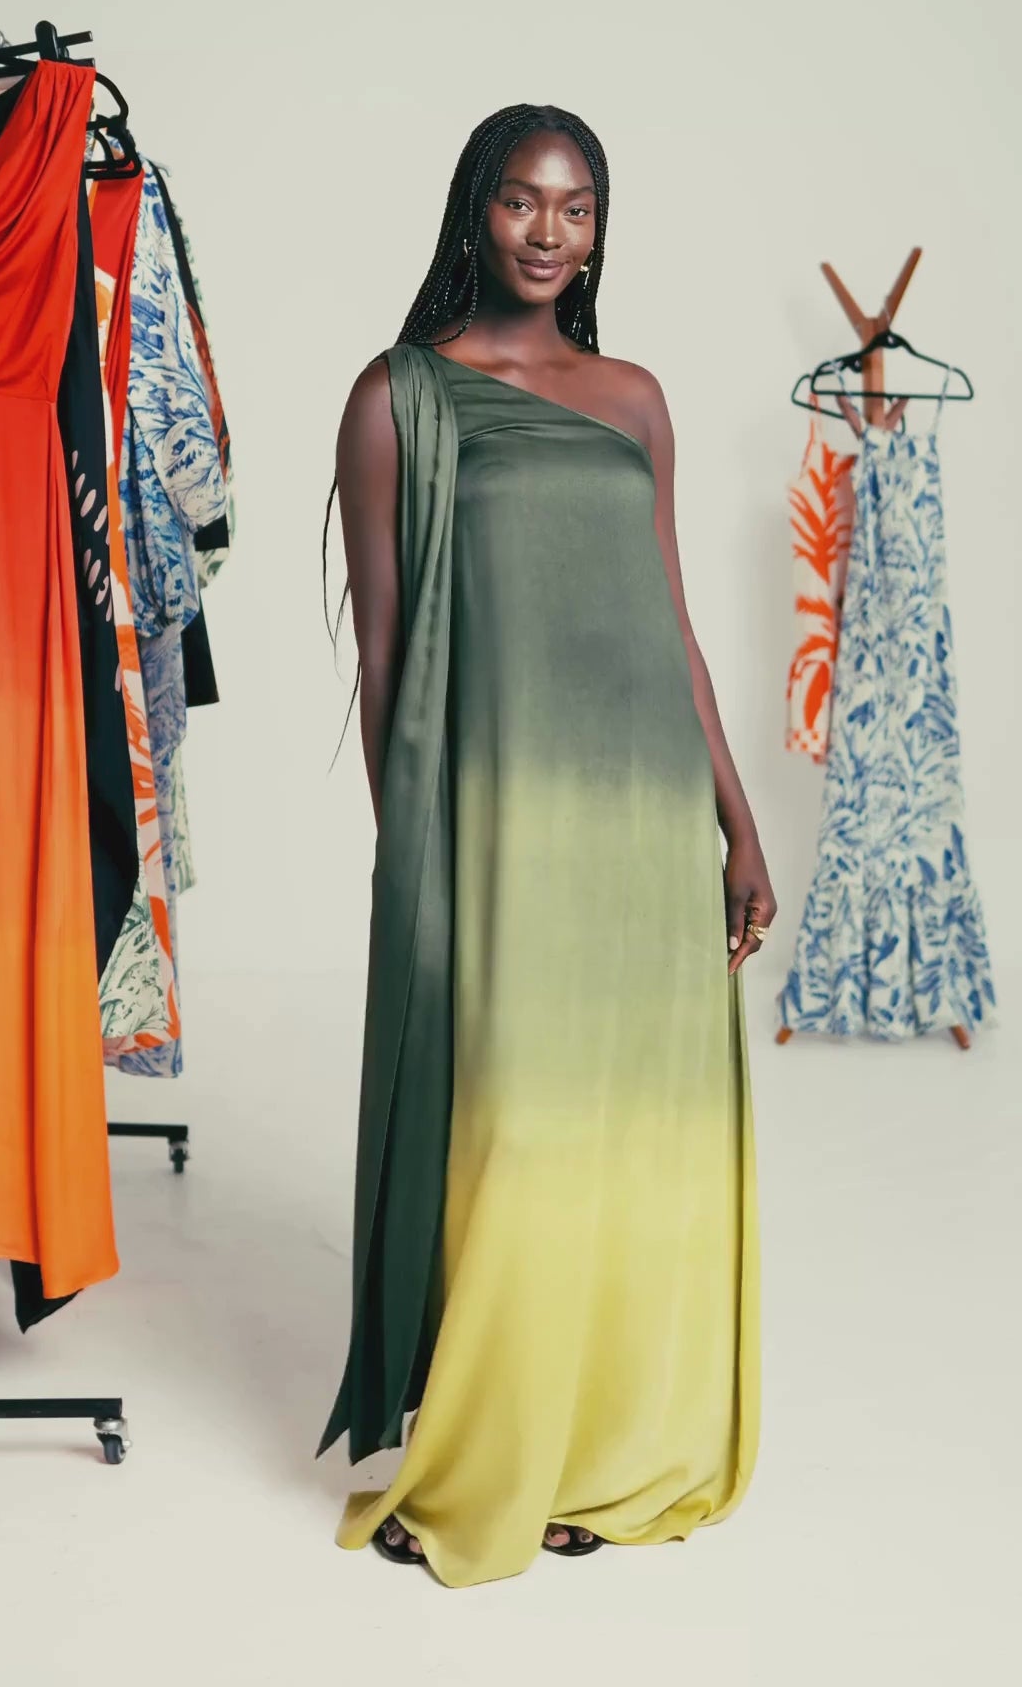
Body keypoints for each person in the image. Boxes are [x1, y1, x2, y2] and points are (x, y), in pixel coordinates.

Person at [318, 102, 774, 1589]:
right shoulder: (397, 399)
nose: (548, 231)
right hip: (505, 834)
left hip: (644, 827)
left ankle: (608, 1453)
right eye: (522, 200)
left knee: (631, 1140)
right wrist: (415, 856)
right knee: (516, 1136)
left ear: (599, 231)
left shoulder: (634, 397)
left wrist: (737, 820)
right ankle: (491, 1449)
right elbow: (384, 657)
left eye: (576, 209)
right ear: (478, 208)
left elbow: (673, 622)